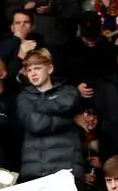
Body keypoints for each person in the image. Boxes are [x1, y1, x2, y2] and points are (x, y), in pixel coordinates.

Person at [15, 48, 80, 182]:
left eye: (37, 68)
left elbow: (69, 103)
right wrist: (68, 120)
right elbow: (36, 125)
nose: (33, 73)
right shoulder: (23, 97)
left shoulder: (69, 91)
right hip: (35, 171)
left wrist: (38, 107)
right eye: (29, 70)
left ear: (50, 69)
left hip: (67, 168)